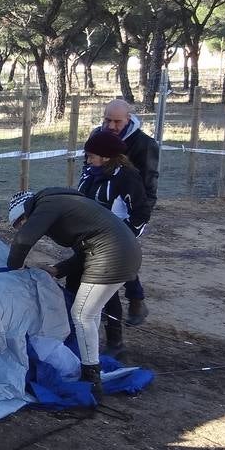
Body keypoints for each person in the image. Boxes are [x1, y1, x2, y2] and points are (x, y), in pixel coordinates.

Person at [7, 188, 141, 404]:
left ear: (25, 213)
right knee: (91, 312)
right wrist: (59, 270)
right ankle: (91, 362)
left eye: (20, 222)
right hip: (125, 251)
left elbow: (23, 240)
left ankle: (91, 377)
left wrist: (13, 269)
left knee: (81, 315)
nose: (20, 227)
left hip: (111, 255)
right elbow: (85, 248)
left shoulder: (46, 206)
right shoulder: (62, 203)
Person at [75, 129, 151, 357]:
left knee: (106, 289)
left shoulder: (127, 178)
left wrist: (124, 237)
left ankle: (115, 340)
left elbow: (141, 212)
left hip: (117, 235)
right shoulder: (90, 173)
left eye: (91, 156)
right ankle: (135, 299)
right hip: (90, 237)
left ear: (106, 157)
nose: (87, 160)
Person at [96, 98, 160, 325]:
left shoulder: (144, 144)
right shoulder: (97, 135)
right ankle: (130, 301)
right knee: (110, 257)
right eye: (107, 120)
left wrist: (138, 220)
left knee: (115, 255)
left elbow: (149, 185)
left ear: (129, 119)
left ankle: (133, 300)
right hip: (101, 207)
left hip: (129, 211)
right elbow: (90, 168)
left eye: (117, 121)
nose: (111, 126)